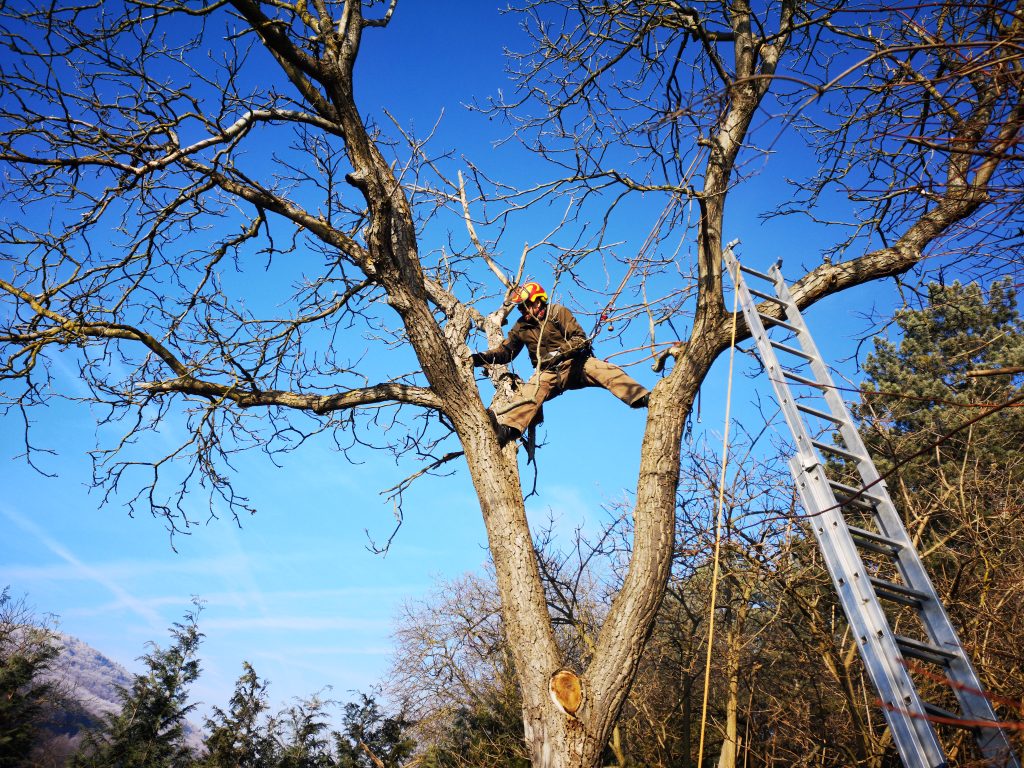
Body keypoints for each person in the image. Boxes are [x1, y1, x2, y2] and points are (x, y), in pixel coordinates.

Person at [472, 282, 650, 445]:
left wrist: (559, 353)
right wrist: (480, 359)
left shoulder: (557, 312)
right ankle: (506, 431)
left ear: (537, 302)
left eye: (524, 306)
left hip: (576, 364)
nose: (522, 310)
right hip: (548, 373)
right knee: (528, 392)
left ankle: (641, 397)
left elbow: (580, 338)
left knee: (606, 370)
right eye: (519, 307)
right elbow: (506, 352)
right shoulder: (521, 327)